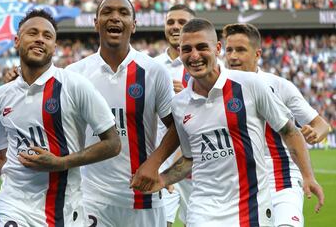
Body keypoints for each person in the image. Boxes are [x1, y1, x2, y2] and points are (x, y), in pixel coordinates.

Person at [132, 18, 324, 227]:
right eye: (186, 49)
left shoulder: (250, 85)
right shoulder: (179, 105)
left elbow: (289, 132)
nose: (194, 56)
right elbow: (190, 158)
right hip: (203, 210)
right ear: (179, 52)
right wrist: (162, 179)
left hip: (251, 208)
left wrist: (308, 176)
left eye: (202, 47)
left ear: (217, 49)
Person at [0, 9, 121, 227]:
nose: (40, 39)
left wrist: (61, 163)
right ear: (17, 41)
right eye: (33, 33)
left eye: (47, 36)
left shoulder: (75, 85)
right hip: (14, 205)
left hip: (65, 210)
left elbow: (113, 143)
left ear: (54, 47)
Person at [65, 0, 174, 227]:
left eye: (123, 13)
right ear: (96, 22)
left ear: (133, 25)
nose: (115, 17)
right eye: (107, 12)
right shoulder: (74, 74)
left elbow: (176, 128)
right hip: (90, 197)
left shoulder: (154, 72)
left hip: (142, 198)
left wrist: (154, 163)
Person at [222, 23, 329, 227]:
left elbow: (321, 124)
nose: (233, 56)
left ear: (257, 54)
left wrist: (315, 133)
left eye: (241, 50)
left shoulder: (279, 86)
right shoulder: (218, 91)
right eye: (229, 50)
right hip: (242, 187)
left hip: (282, 181)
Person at [154, 4, 195, 227]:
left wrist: (190, 96)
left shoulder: (211, 67)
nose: (175, 26)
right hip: (162, 164)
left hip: (196, 165)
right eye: (171, 22)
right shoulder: (151, 66)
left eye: (182, 22)